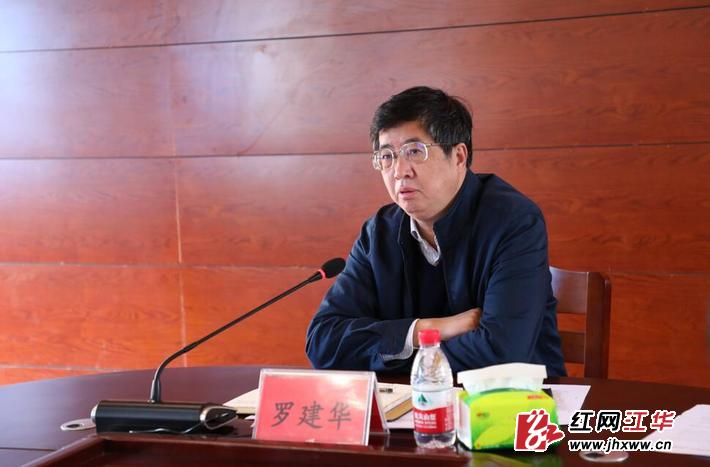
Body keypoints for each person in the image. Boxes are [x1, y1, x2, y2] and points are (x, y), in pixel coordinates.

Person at [306, 86, 566, 376]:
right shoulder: (378, 233)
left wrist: (394, 352)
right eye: (387, 156)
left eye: (414, 152)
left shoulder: (513, 222)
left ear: (459, 156)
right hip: (409, 401)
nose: (399, 171)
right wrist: (428, 330)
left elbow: (502, 352)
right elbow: (322, 341)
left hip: (512, 399)